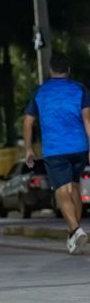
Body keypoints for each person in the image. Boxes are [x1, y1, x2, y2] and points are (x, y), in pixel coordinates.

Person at [24, 55, 90, 254]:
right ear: (68, 69)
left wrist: (28, 149)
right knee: (75, 187)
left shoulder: (40, 92)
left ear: (50, 71)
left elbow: (28, 121)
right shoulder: (80, 89)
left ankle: (76, 230)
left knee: (62, 190)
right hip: (79, 147)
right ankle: (73, 235)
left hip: (55, 150)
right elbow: (88, 120)